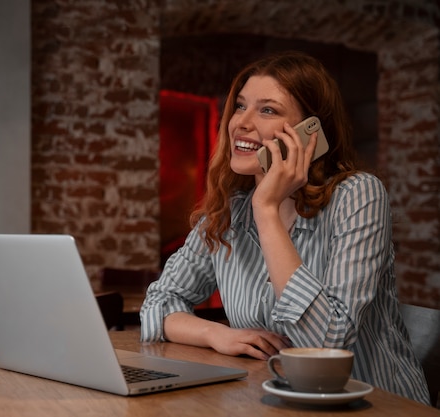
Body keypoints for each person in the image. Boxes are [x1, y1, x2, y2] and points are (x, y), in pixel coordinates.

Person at [140, 50, 430, 405]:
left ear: (310, 133)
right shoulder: (230, 212)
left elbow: (325, 344)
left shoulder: (358, 196)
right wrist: (215, 334)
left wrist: (267, 210)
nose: (241, 123)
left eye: (267, 110)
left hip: (371, 406)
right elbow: (158, 303)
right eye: (241, 106)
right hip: (271, 399)